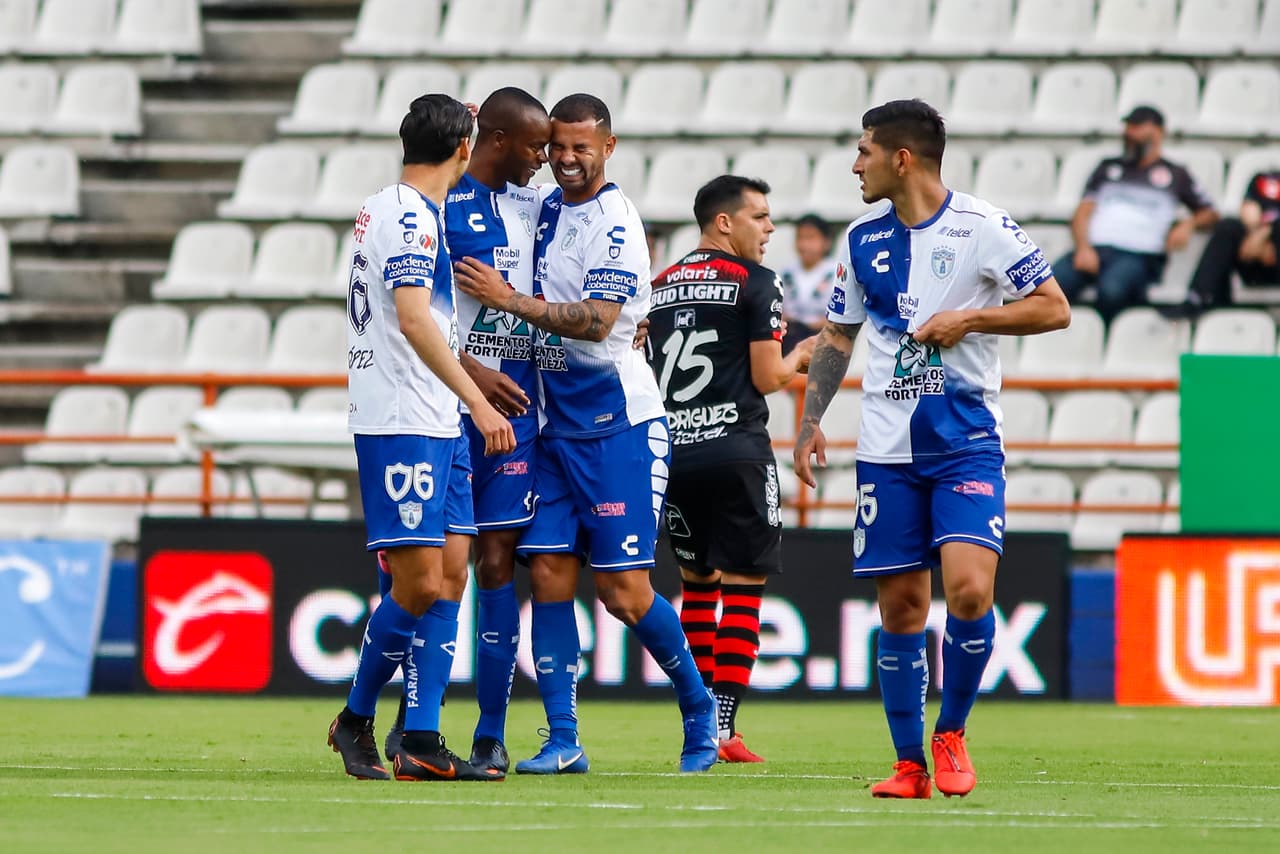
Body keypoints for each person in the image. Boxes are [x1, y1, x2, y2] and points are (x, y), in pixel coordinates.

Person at [793, 99, 1070, 799]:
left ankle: (952, 733)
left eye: (864, 151)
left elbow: (1053, 306)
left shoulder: (984, 227)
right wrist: (810, 420)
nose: (855, 164)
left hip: (965, 440)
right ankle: (910, 764)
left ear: (901, 158)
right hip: (886, 449)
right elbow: (836, 336)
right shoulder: (860, 240)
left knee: (972, 592)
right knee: (902, 611)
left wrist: (971, 318)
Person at [455, 93, 719, 775]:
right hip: (553, 427)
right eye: (557, 147)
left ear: (610, 146)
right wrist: (472, 119)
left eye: (580, 147)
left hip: (619, 425)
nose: (566, 160)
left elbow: (599, 320)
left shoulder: (617, 225)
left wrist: (510, 301)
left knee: (624, 592)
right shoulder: (545, 205)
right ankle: (563, 736)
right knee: (546, 570)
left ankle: (699, 711)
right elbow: (490, 158)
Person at [328, 93, 516, 782]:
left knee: (451, 573)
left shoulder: (397, 206)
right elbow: (413, 319)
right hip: (404, 418)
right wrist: (481, 402)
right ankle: (354, 719)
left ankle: (422, 739)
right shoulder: (410, 216)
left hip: (436, 418)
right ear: (464, 150)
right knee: (416, 582)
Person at [648, 175, 815, 763]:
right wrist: (801, 354)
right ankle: (722, 724)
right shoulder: (756, 282)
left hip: (673, 455)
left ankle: (696, 718)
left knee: (696, 586)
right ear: (725, 222)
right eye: (760, 217)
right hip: (737, 450)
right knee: (743, 584)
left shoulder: (658, 286)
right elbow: (770, 377)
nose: (770, 229)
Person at [1052, 105, 1217, 323]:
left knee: (1112, 290)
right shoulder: (1107, 167)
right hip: (1095, 250)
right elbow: (1083, 212)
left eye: (1138, 127)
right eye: (1129, 126)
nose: (1130, 133)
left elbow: (1210, 213)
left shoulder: (1176, 174)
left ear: (1158, 132)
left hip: (1139, 255)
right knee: (1049, 285)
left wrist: (1189, 224)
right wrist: (1083, 247)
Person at [1184, 169, 1280, 310]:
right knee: (1228, 226)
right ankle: (1200, 298)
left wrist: (1266, 232)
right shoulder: (1264, 179)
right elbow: (1248, 210)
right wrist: (1255, 234)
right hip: (1252, 256)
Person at [778, 213, 837, 354]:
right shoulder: (786, 273)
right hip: (791, 335)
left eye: (811, 238)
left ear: (826, 242)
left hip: (822, 336)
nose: (804, 244)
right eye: (800, 238)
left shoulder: (836, 272)